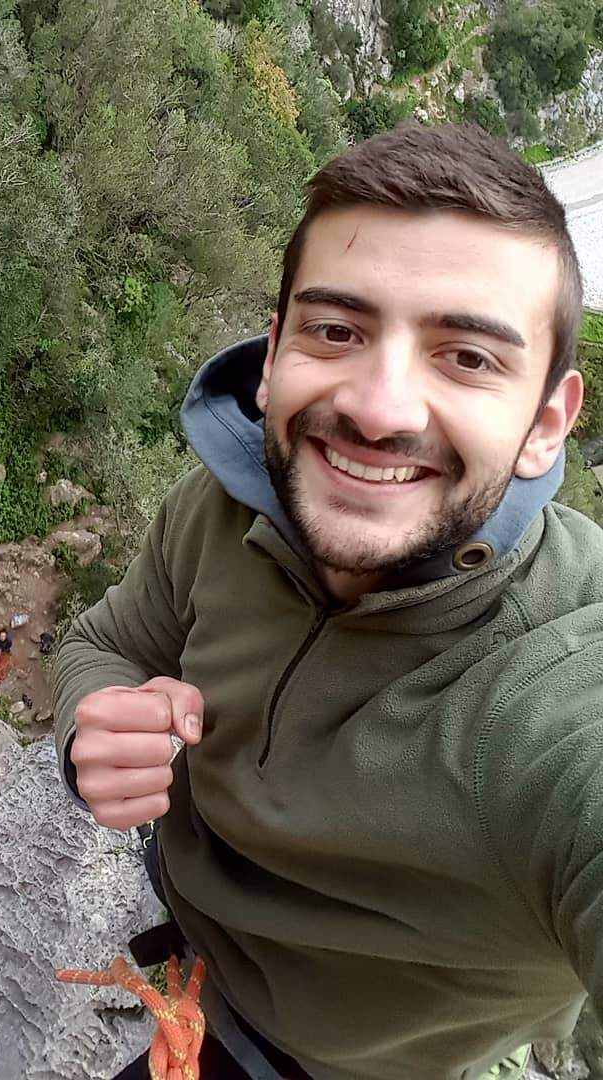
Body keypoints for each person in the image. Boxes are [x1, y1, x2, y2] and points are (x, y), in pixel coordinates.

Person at [51, 123, 600, 1080]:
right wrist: (91, 722)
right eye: (337, 331)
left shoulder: (560, 674)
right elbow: (108, 641)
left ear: (547, 423)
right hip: (182, 939)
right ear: (273, 355)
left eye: (468, 357)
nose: (379, 409)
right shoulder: (225, 506)